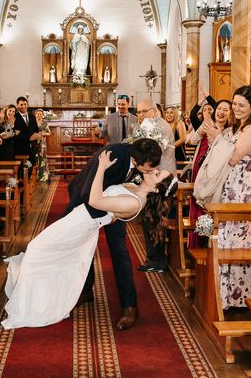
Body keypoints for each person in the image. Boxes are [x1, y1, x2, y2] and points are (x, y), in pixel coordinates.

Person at [2, 149, 176, 329]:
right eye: (156, 169)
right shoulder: (136, 187)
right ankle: (38, 297)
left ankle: (32, 304)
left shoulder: (136, 201)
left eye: (157, 174)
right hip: (80, 217)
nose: (153, 170)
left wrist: (101, 167)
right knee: (44, 251)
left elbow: (95, 201)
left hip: (81, 223)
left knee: (37, 249)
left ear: (156, 188)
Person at [65, 138, 162, 330]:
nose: (150, 173)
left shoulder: (140, 157)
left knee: (119, 251)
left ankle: (130, 306)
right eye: (148, 170)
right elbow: (87, 194)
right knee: (82, 246)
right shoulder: (113, 156)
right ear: (135, 161)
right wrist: (109, 216)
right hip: (84, 201)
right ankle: (85, 290)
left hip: (110, 202)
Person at [206, 85, 251, 309]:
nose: (236, 109)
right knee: (226, 234)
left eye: (242, 105)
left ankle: (238, 296)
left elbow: (232, 157)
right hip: (230, 183)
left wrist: (217, 140)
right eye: (234, 104)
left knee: (240, 236)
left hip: (242, 186)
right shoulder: (237, 128)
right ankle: (224, 294)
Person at [135, 99, 176, 273]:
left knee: (154, 220)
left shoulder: (160, 127)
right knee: (150, 219)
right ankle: (154, 258)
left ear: (154, 110)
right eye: (138, 112)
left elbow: (152, 155)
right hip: (155, 178)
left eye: (143, 111)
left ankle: (157, 261)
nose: (140, 115)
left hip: (161, 179)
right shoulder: (150, 125)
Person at [186, 99, 231, 248]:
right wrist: (202, 130)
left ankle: (207, 245)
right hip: (200, 168)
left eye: (225, 110)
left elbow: (223, 152)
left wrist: (216, 136)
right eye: (219, 109)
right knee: (199, 206)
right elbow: (192, 140)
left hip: (216, 173)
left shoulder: (229, 132)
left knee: (209, 208)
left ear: (231, 114)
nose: (221, 112)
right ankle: (198, 244)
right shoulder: (207, 125)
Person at [13, 96, 40, 160]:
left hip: (33, 148)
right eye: (21, 104)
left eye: (25, 104)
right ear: (17, 105)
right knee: (21, 169)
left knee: (33, 168)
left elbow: (36, 130)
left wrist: (38, 135)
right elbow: (15, 133)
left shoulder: (32, 116)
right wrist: (29, 139)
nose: (24, 106)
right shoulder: (15, 117)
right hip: (20, 148)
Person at [33, 108, 51, 182]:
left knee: (42, 158)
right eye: (38, 114)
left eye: (40, 114)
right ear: (35, 115)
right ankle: (35, 176)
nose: (39, 115)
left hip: (42, 143)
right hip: (34, 142)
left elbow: (49, 133)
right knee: (35, 158)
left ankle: (43, 176)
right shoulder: (32, 123)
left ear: (43, 115)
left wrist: (43, 133)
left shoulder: (45, 124)